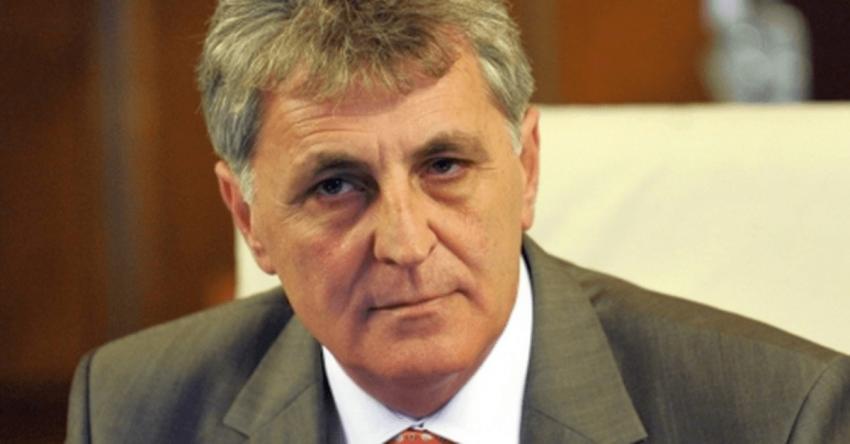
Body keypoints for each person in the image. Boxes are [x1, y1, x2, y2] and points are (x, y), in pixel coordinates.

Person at [66, 0, 850, 442]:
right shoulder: (133, 412)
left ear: (527, 168)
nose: (407, 244)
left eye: (443, 167)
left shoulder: (777, 416)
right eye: (336, 186)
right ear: (248, 218)